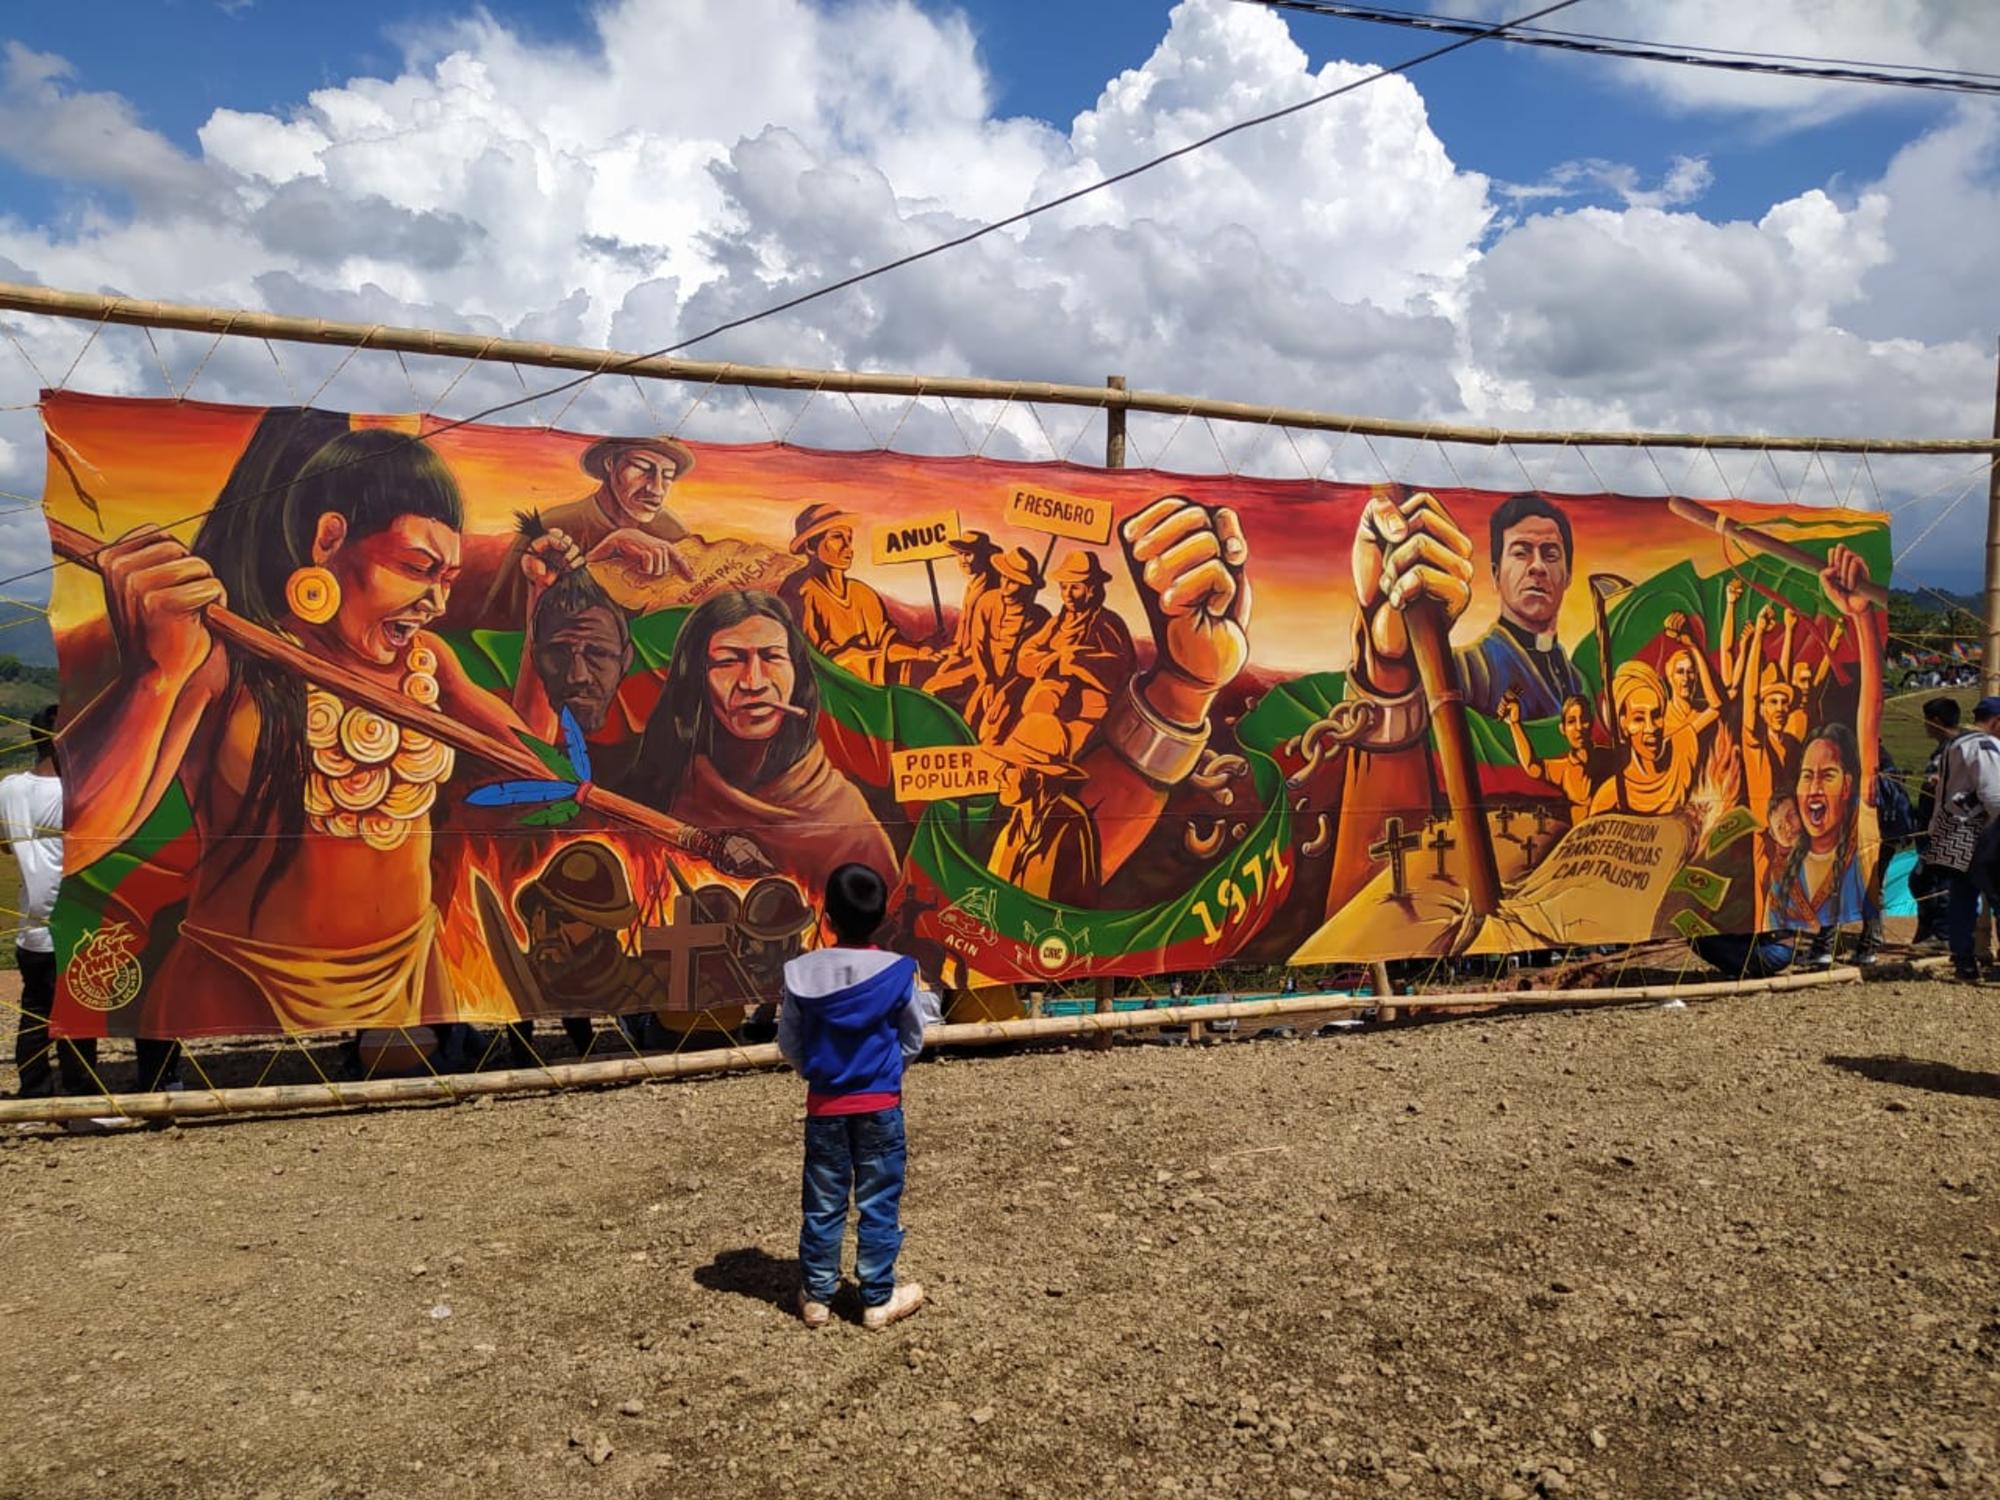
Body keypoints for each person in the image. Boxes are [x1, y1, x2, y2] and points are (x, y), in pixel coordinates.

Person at [61, 418, 534, 1041]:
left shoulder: (430, 663)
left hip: (412, 976)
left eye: (446, 579)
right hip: (243, 983)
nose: (437, 604)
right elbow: (73, 842)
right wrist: (152, 676)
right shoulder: (227, 658)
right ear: (330, 538)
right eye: (417, 568)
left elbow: (532, 763)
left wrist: (544, 611)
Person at [620, 590, 895, 892]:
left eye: (772, 657)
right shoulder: (663, 788)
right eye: (728, 661)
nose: (754, 682)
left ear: (797, 673)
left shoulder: (847, 824)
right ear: (696, 679)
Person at [776, 862, 940, 1330]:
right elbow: (913, 1036)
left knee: (824, 1201)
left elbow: (790, 1042)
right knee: (879, 1199)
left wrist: (820, 1072)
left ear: (827, 916)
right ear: (884, 917)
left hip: (824, 1106)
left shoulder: (801, 973)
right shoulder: (897, 972)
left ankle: (818, 1296)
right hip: (881, 1106)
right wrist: (885, 1073)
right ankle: (876, 1298)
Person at [1763, 547, 1884, 939]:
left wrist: (1861, 616)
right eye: (1807, 775)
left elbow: (1869, 714)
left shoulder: (1858, 831)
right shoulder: (1787, 860)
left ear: (1849, 784)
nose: (1813, 787)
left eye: (1827, 775)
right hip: (1781, 952)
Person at [469, 434, 697, 629]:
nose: (656, 488)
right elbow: (503, 625)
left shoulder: (671, 531)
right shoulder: (552, 527)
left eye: (667, 476)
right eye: (642, 468)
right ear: (610, 463)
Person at [1, 704, 99, 1100]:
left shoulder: (8, 788)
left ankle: (34, 1094)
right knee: (77, 1016)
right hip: (72, 923)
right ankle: (80, 1099)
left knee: (35, 1012)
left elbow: (6, 845)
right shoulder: (76, 792)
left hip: (31, 926)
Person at [1453, 494, 1588, 720]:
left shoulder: (1578, 682)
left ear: (1568, 576)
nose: (1538, 566)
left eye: (1550, 554)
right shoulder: (1468, 671)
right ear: (1496, 575)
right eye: (1521, 552)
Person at [781, 503, 935, 686]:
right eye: (837, 537)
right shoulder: (799, 591)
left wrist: (919, 652)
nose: (848, 546)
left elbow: (883, 648)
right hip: (827, 701)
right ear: (810, 546)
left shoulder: (863, 594)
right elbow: (803, 660)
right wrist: (844, 657)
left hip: (868, 695)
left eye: (849, 537)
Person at [1015, 551, 1136, 754]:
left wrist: (1068, 658)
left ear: (1092, 589)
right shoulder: (1056, 623)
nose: (1067, 594)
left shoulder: (1107, 624)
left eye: (1075, 588)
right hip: (1044, 706)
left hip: (1085, 716)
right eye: (1064, 587)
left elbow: (1118, 669)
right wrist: (1050, 661)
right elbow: (1025, 655)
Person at [986, 712, 1101, 905]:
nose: (999, 775)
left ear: (1037, 779)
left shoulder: (1070, 823)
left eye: (1010, 767)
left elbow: (1077, 908)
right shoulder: (1011, 830)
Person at [1925, 695, 2000, 983]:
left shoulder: (1957, 744)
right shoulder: (1985, 745)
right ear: (1996, 721)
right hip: (1982, 833)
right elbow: (1994, 794)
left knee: (1962, 898)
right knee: (1996, 897)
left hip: (1954, 830)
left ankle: (1964, 962)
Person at [1587, 661, 1701, 816]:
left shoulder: (1683, 750)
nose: (1651, 728)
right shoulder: (1610, 795)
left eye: (1656, 715)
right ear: (1623, 725)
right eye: (1639, 719)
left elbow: (1718, 706)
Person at [964, 546, 1050, 743]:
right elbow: (978, 645)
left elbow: (1030, 665)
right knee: (968, 716)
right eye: (1003, 577)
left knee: (990, 731)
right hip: (984, 671)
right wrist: (987, 682)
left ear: (1027, 586)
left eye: (1013, 581)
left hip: (1015, 682)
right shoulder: (987, 601)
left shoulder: (1040, 617)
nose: (1005, 584)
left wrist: (1004, 692)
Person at [1498, 691, 1601, 827]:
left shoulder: (1608, 757)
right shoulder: (1563, 769)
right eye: (1571, 721)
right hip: (1581, 839)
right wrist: (1515, 723)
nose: (1578, 728)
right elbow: (1532, 767)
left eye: (1584, 720)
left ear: (1591, 722)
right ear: (1563, 729)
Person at [924, 531, 1003, 705]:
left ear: (983, 556)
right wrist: (956, 648)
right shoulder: (974, 584)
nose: (963, 560)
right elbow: (966, 626)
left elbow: (985, 638)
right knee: (939, 670)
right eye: (959, 554)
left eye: (968, 554)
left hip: (982, 661)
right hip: (966, 653)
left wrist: (963, 655)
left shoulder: (991, 587)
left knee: (932, 687)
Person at [1909, 697, 1961, 946]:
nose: (1924, 726)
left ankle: (1943, 934)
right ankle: (1929, 930)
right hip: (1929, 825)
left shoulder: (1955, 749)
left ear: (1937, 721)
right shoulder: (1943, 749)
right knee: (1922, 879)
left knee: (1938, 880)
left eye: (1927, 720)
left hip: (1945, 826)